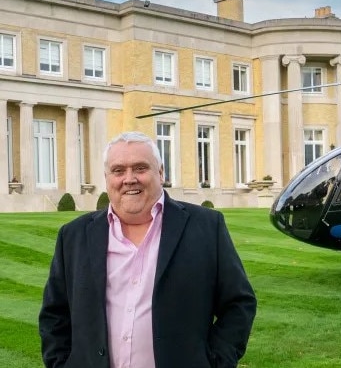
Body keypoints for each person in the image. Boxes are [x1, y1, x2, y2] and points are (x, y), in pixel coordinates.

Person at [39, 131, 257, 368]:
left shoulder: (205, 227)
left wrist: (216, 362)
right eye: (118, 170)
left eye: (140, 168)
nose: (129, 178)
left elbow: (238, 304)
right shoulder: (74, 236)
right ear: (107, 177)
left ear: (160, 173)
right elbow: (55, 315)